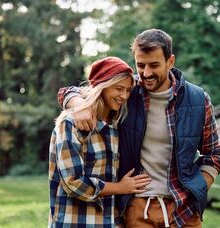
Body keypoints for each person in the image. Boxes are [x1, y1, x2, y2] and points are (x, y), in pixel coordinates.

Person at [58, 29, 220, 228]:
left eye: (154, 65)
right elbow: (71, 90)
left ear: (170, 61)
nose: (146, 73)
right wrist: (77, 104)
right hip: (138, 207)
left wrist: (198, 187)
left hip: (184, 209)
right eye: (140, 65)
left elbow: (213, 154)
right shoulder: (128, 92)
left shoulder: (198, 100)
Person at [49, 56, 152, 227]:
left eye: (128, 90)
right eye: (119, 88)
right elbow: (73, 183)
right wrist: (120, 187)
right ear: (102, 87)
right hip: (75, 222)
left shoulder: (117, 126)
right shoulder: (71, 123)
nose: (124, 96)